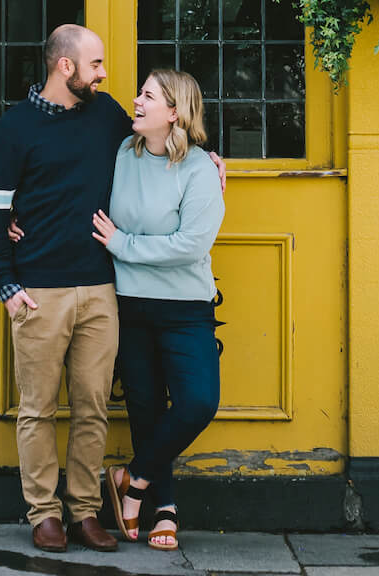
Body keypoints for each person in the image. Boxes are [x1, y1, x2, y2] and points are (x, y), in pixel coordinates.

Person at [0, 24, 130, 554]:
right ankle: (45, 514)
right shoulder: (14, 128)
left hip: (100, 288)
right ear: (66, 67)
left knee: (93, 407)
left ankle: (86, 512)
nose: (104, 74)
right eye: (97, 65)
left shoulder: (107, 115)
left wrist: (209, 157)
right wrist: (6, 286)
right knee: (37, 409)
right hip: (38, 291)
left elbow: (158, 137)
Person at [95, 68, 224, 552]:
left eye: (148, 95)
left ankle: (131, 476)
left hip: (186, 306)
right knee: (146, 409)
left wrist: (124, 245)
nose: (137, 100)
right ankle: (161, 507)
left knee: (196, 402)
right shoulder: (122, 155)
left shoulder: (199, 170)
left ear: (175, 112)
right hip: (129, 304)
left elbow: (191, 246)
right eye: (139, 93)